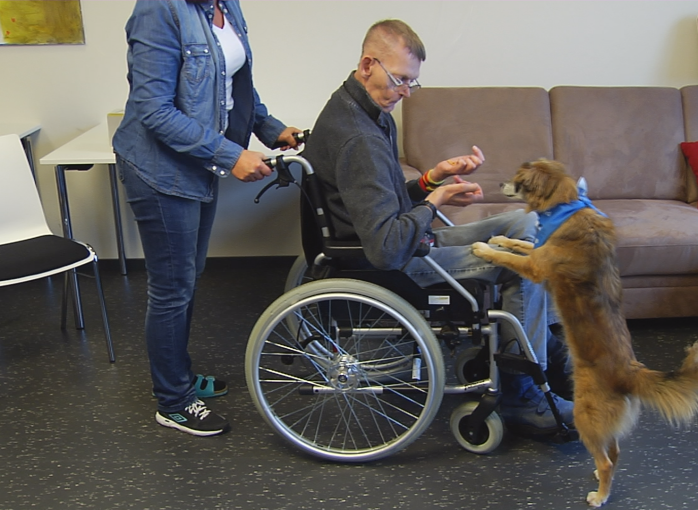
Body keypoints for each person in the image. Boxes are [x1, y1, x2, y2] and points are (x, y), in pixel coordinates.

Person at [302, 19, 573, 434]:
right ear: (367, 65)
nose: (406, 92)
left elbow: (381, 199)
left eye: (413, 83)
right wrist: (434, 201)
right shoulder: (359, 138)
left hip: (407, 238)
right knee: (523, 262)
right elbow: (385, 248)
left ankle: (541, 349)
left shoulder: (364, 111)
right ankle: (524, 391)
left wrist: (433, 179)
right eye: (401, 80)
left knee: (526, 219)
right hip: (394, 262)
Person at [113, 0, 302, 437]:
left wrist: (271, 128)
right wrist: (230, 155)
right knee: (172, 286)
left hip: (197, 164)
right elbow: (154, 110)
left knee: (187, 277)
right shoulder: (159, 10)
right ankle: (173, 400)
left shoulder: (226, 6)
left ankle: (176, 374)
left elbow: (233, 83)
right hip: (158, 170)